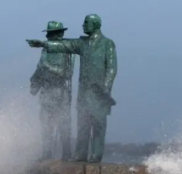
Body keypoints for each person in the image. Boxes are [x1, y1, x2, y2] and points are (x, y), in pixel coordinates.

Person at [27, 14, 117, 163]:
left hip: (99, 91)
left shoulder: (107, 44)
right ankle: (80, 153)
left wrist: (107, 87)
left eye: (86, 23)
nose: (83, 25)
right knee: (83, 123)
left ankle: (95, 154)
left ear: (95, 25)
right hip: (83, 91)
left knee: (98, 124)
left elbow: (112, 68)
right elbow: (63, 46)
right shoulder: (82, 43)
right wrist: (43, 44)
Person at [30, 21, 75, 161]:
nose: (49, 36)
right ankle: (46, 153)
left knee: (63, 124)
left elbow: (67, 74)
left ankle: (66, 154)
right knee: (45, 124)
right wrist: (34, 83)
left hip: (60, 92)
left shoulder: (68, 51)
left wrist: (48, 67)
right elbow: (39, 68)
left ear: (60, 34)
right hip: (46, 92)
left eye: (52, 33)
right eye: (49, 34)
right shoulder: (45, 51)